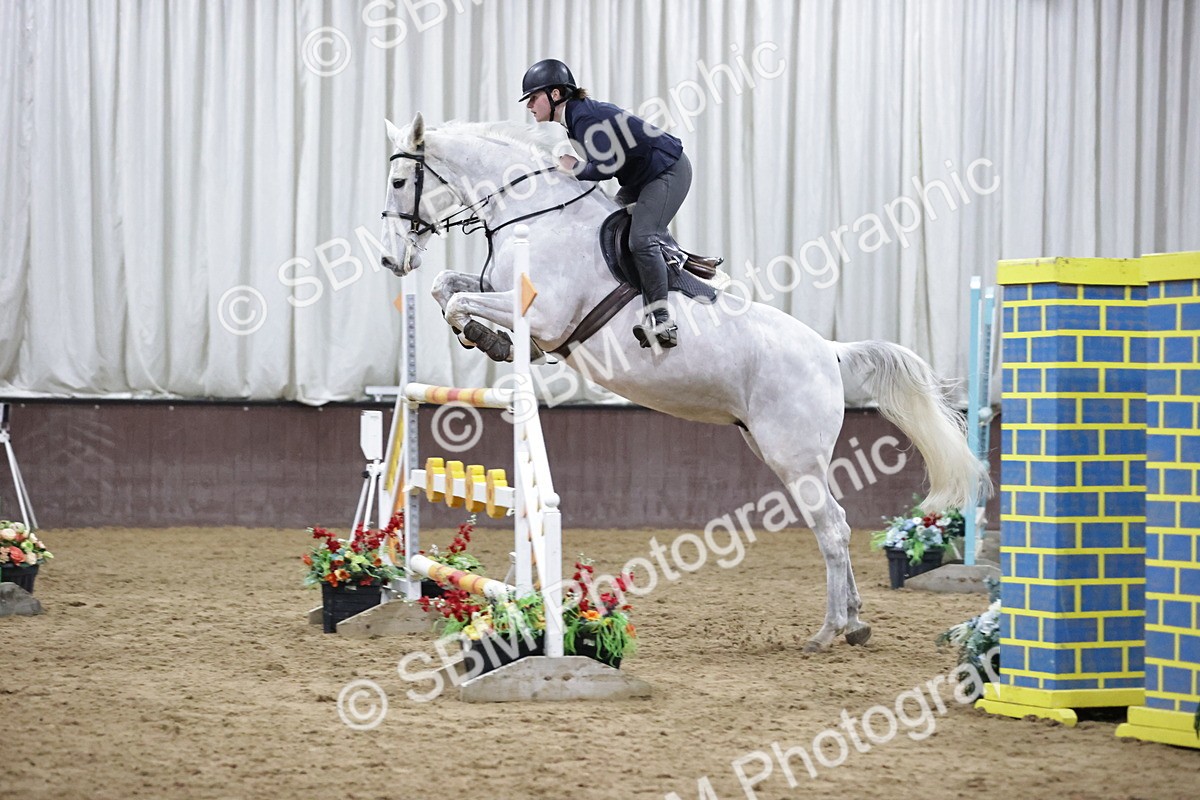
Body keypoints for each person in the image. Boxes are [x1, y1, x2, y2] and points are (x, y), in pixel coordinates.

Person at [521, 58, 689, 349]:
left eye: (533, 97)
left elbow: (605, 167)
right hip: (640, 178)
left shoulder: (583, 117)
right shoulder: (575, 118)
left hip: (667, 170)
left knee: (641, 238)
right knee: (602, 227)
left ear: (556, 94)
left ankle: (662, 319)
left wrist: (573, 167)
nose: (529, 105)